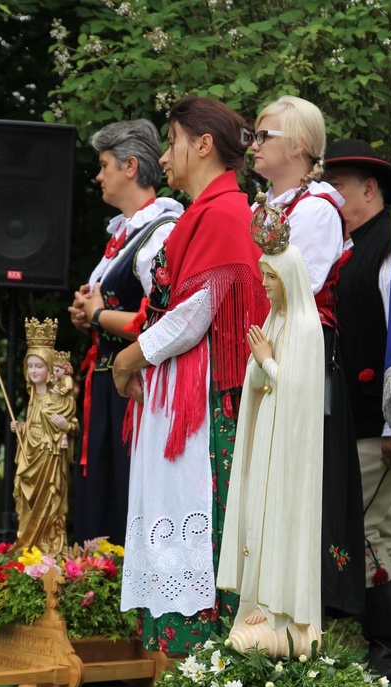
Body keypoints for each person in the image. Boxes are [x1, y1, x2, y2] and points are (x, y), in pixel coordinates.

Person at [112, 96, 266, 655]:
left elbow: (196, 311)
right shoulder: (204, 211)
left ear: (203, 145)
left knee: (195, 515)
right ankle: (185, 665)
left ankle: (208, 661)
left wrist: (130, 357)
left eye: (173, 139)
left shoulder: (223, 211)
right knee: (175, 512)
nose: (165, 153)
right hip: (182, 390)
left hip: (200, 398)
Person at [250, 95, 365, 619]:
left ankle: (299, 613)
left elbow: (298, 292)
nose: (253, 145)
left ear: (297, 147)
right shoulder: (266, 208)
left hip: (297, 356)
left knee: (298, 480)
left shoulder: (317, 209)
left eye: (263, 136)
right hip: (264, 349)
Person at [323, 139, 391, 681]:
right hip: (354, 421)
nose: (330, 197)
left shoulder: (389, 252)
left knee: (371, 527)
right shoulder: (353, 248)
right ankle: (387, 650)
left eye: (337, 186)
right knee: (374, 527)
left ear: (369, 189)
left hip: (377, 422)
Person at [68, 119, 183, 547]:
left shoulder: (162, 231)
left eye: (103, 165)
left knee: (127, 488)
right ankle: (97, 590)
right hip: (108, 381)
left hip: (138, 384)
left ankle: (126, 598)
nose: (98, 176)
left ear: (130, 166)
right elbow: (114, 305)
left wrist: (98, 316)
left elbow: (164, 315)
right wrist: (88, 313)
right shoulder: (123, 233)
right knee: (103, 488)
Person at [217, 204, 324, 659]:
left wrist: (264, 360)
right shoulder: (278, 320)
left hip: (289, 449)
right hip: (267, 439)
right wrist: (259, 365)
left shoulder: (304, 326)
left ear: (289, 278)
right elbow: (262, 384)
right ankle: (258, 600)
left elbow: (299, 390)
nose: (264, 284)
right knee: (257, 514)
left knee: (280, 516)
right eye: (263, 275)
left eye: (271, 277)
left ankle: (282, 614)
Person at [10, 317, 79, 556]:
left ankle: (50, 547)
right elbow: (34, 423)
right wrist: (22, 428)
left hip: (50, 457)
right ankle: (29, 546)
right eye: (30, 366)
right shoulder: (32, 397)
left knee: (51, 500)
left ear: (50, 367)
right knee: (25, 497)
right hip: (31, 453)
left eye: (38, 366)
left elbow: (73, 425)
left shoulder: (61, 396)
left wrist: (65, 426)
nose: (33, 371)